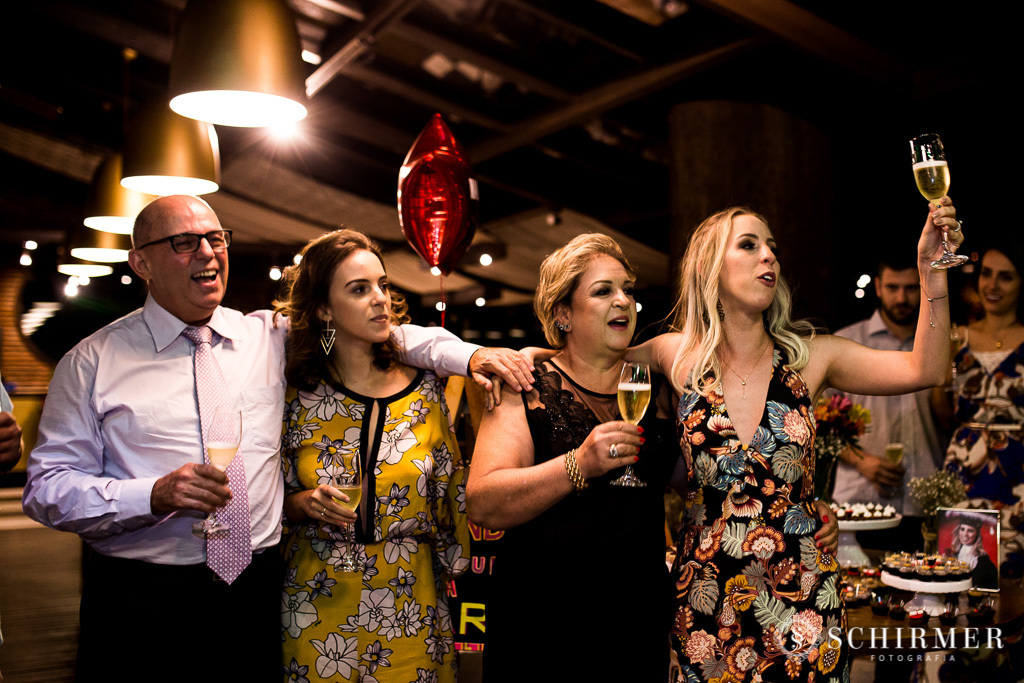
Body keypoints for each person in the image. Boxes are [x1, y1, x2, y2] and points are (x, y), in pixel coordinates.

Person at [21, 195, 530, 682]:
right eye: (183, 242)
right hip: (142, 598)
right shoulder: (91, 362)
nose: (207, 252)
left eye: (215, 238)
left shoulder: (265, 336)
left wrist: (470, 356)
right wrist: (151, 494)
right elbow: (47, 488)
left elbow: (389, 332)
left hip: (257, 591)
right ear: (141, 263)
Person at [466, 234, 838, 682]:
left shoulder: (655, 388)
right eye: (604, 291)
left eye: (627, 290)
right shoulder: (527, 386)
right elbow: (484, 502)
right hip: (547, 620)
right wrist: (577, 466)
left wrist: (796, 506)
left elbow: (709, 477)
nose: (623, 301)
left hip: (637, 622)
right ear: (563, 314)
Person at [630, 200, 958, 682]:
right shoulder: (677, 355)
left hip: (803, 598)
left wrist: (932, 273)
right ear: (710, 268)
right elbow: (586, 362)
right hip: (704, 595)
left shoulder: (812, 358)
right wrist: (501, 357)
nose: (769, 256)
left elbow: (926, 369)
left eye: (772, 248)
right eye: (749, 245)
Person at [276, 230, 471, 682]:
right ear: (323, 308)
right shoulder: (296, 394)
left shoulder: (424, 391)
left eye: (382, 285)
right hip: (314, 605)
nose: (380, 299)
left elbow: (452, 500)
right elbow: (266, 501)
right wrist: (303, 504)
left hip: (411, 603)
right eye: (360, 289)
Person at [831, 254, 948, 550]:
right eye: (893, 287)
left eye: (911, 288)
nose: (902, 298)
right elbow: (815, 422)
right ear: (879, 287)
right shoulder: (846, 342)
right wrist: (862, 460)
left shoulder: (943, 346)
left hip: (926, 500)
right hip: (860, 501)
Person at [936, 244, 1024, 579]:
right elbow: (944, 417)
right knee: (960, 568)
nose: (992, 285)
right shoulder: (958, 337)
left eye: (1006, 277)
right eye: (986, 274)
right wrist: (943, 371)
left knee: (1013, 571)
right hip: (964, 466)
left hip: (1018, 471)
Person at [942, 512, 998, 589]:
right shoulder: (954, 553)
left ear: (977, 534)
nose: (965, 534)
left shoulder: (983, 561)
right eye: (962, 529)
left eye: (970, 531)